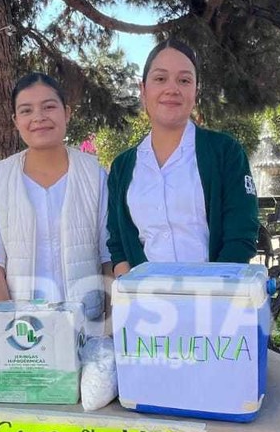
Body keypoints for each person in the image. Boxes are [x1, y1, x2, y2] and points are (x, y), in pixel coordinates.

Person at [106, 39, 259, 274]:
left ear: (195, 92)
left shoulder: (225, 152)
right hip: (147, 303)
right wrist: (129, 283)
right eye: (160, 78)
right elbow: (117, 241)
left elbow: (241, 235)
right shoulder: (122, 167)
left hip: (217, 299)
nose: (172, 88)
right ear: (143, 90)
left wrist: (211, 291)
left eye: (184, 80)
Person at [0, 73, 111, 326]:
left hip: (87, 327)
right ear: (16, 121)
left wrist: (109, 329)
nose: (39, 117)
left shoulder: (95, 175)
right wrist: (10, 329)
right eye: (26, 110)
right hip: (24, 333)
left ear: (67, 112)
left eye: (49, 106)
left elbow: (108, 257)